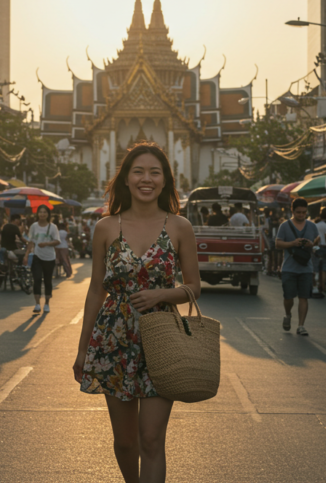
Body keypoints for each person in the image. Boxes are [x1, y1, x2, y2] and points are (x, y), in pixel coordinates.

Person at [74, 142, 199, 483]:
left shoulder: (179, 227)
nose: (147, 179)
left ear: (165, 180)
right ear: (126, 179)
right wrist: (83, 349)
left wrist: (162, 293)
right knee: (126, 442)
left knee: (151, 439)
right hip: (113, 339)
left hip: (162, 338)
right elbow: (96, 289)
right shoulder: (105, 227)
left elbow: (194, 287)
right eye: (138, 172)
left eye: (155, 172)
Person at [276, 198, 320, 336]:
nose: (301, 215)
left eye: (303, 212)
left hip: (306, 268)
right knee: (288, 296)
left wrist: (311, 244)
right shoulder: (284, 226)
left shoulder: (312, 226)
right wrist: (293, 243)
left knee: (303, 297)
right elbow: (278, 243)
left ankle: (301, 325)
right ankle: (288, 314)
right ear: (292, 211)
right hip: (289, 268)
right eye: (298, 212)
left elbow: (317, 240)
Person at [25, 205, 59, 313]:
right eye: (40, 212)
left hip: (49, 257)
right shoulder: (34, 226)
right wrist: (26, 255)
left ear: (48, 214)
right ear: (37, 214)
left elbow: (57, 241)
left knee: (48, 280)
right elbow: (30, 241)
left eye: (44, 212)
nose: (42, 214)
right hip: (37, 256)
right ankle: (37, 304)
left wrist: (46, 243)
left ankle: (47, 303)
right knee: (37, 279)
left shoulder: (53, 227)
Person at [314, 208, 326, 295]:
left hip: (316, 248)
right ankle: (323, 286)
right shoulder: (325, 226)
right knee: (324, 269)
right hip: (325, 248)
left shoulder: (315, 225)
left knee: (316, 268)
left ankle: (316, 286)